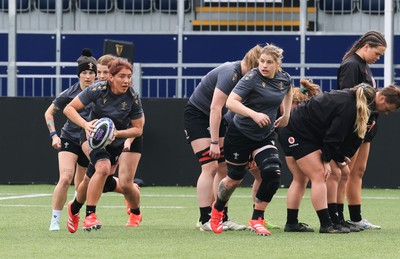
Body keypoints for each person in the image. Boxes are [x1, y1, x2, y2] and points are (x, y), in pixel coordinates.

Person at [210, 44, 293, 236]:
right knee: (233, 180)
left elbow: (288, 90)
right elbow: (230, 102)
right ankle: (217, 210)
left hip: (264, 135)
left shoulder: (284, 78)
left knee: (273, 172)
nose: (264, 65)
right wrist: (254, 114)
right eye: (261, 61)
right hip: (239, 134)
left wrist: (286, 114)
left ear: (278, 64)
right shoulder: (251, 78)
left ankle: (257, 218)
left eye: (269, 62)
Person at [278, 83, 378, 234]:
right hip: (296, 132)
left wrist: (338, 157)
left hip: (298, 131)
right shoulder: (348, 107)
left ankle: (292, 223)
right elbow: (333, 137)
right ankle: (327, 224)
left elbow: (333, 136)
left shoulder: (347, 99)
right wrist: (326, 161)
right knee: (320, 174)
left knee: (301, 178)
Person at [183, 44, 261, 231]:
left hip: (220, 118)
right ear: (252, 64)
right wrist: (214, 142)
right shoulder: (230, 73)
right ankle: (204, 220)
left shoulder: (247, 78)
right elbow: (215, 108)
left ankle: (221, 217)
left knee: (224, 167)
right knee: (209, 165)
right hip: (198, 115)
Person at [64, 58, 144, 232]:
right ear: (111, 77)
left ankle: (74, 208)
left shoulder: (133, 98)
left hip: (115, 142)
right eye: (122, 76)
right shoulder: (98, 89)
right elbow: (69, 109)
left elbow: (138, 130)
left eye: (129, 76)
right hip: (92, 137)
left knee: (90, 178)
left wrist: (117, 134)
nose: (126, 81)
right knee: (102, 167)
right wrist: (85, 125)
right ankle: (90, 216)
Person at [328, 84, 400, 231]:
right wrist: (341, 155)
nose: (386, 113)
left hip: (357, 137)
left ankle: (345, 218)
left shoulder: (373, 108)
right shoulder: (353, 67)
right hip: (343, 137)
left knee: (350, 173)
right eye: (387, 109)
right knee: (342, 174)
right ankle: (334, 218)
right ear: (381, 98)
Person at [336, 30, 387, 229]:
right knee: (345, 173)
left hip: (365, 126)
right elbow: (348, 98)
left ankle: (356, 218)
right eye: (377, 53)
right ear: (366, 47)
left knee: (358, 171)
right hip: (355, 127)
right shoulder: (351, 65)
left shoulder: (363, 65)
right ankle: (338, 217)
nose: (378, 58)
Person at [44, 48, 97, 231]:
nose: (88, 76)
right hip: (70, 139)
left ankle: (76, 214)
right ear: (79, 75)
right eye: (84, 72)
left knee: (83, 183)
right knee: (66, 178)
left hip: (90, 142)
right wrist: (54, 135)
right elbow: (49, 113)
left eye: (91, 72)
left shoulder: (101, 92)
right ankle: (55, 220)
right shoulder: (69, 93)